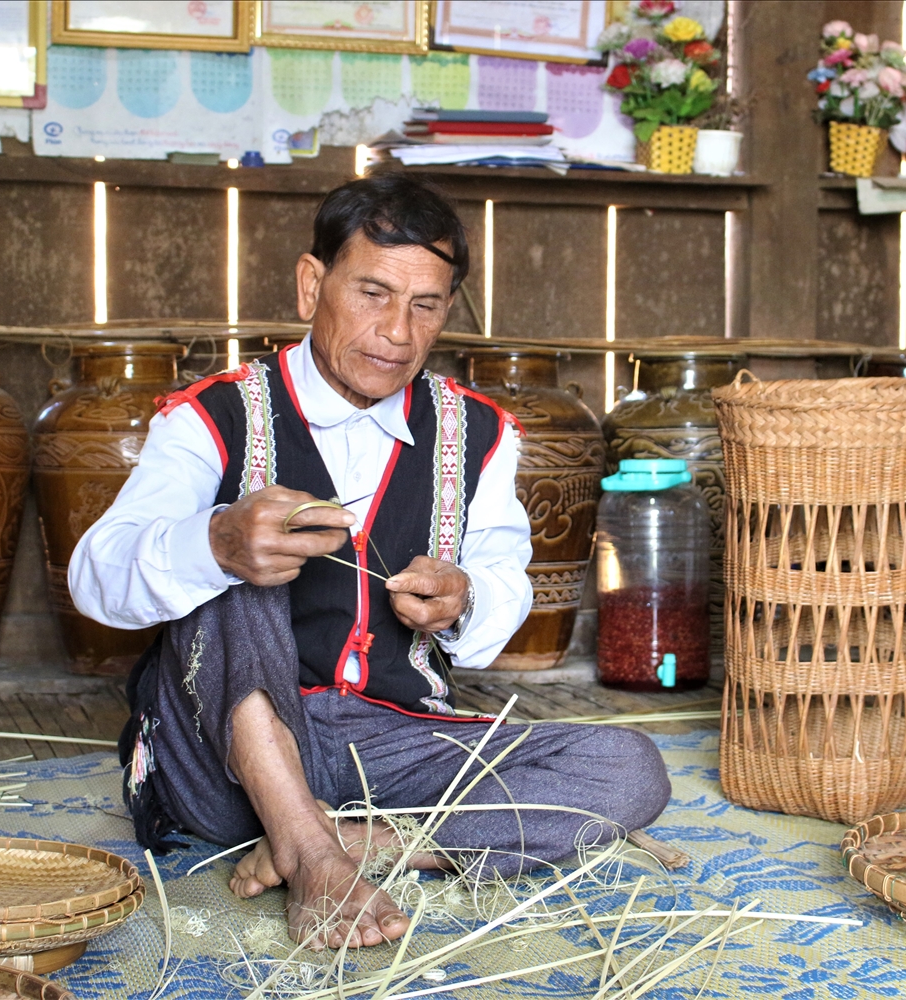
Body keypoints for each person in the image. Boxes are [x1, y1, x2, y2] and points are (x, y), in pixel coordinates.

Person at [69, 174, 670, 950]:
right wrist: (217, 542)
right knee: (243, 555)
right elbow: (95, 575)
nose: (397, 331)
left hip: (390, 743)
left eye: (426, 306)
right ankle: (307, 845)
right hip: (223, 768)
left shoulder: (478, 433)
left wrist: (463, 597)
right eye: (373, 293)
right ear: (311, 283)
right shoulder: (210, 418)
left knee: (629, 772)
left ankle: (367, 844)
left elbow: (501, 586)